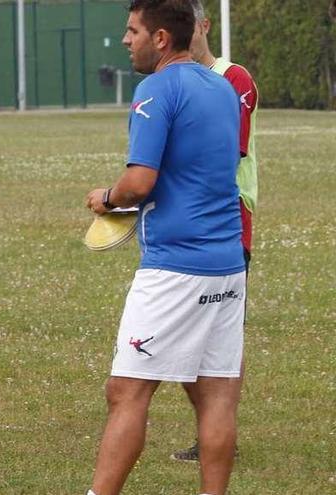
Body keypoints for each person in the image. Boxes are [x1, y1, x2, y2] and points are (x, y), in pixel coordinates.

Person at [83, 1, 246, 494]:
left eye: (132, 31)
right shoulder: (221, 86)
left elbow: (139, 182)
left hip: (175, 268)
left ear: (160, 39)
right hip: (227, 263)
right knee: (218, 397)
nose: (125, 40)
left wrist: (105, 198)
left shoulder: (154, 89)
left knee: (126, 392)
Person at [170, 0, 260, 463]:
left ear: (203, 26)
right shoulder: (177, 81)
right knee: (187, 337)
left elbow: (232, 149)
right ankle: (212, 431)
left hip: (229, 222)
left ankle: (219, 434)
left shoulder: (234, 78)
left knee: (222, 338)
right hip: (186, 225)